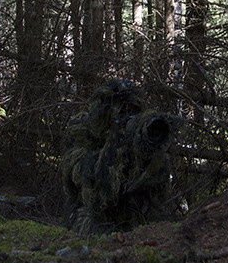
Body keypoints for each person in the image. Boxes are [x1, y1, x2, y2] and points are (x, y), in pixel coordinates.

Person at [62, 79, 176, 234]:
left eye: (133, 111)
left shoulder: (139, 144)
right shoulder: (82, 133)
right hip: (95, 218)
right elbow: (96, 190)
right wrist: (117, 146)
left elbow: (159, 192)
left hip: (136, 221)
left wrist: (147, 153)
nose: (128, 117)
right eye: (122, 112)